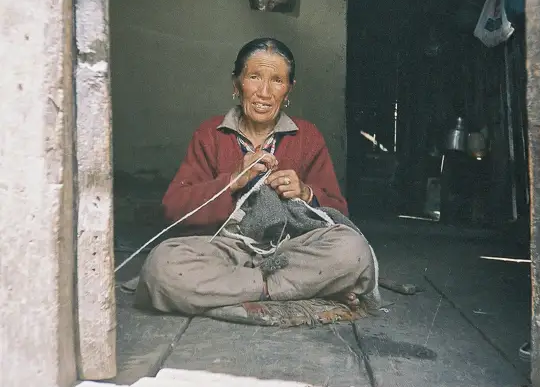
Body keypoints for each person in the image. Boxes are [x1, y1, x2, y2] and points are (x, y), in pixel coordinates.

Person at [135, 37, 376, 315]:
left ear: (289, 90)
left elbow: (339, 212)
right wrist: (232, 180)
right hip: (225, 250)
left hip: (289, 251)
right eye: (254, 77)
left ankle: (238, 292)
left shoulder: (307, 136)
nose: (264, 92)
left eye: (277, 80)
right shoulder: (210, 133)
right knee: (161, 267)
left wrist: (305, 193)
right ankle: (285, 290)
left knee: (353, 250)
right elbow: (173, 208)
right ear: (236, 84)